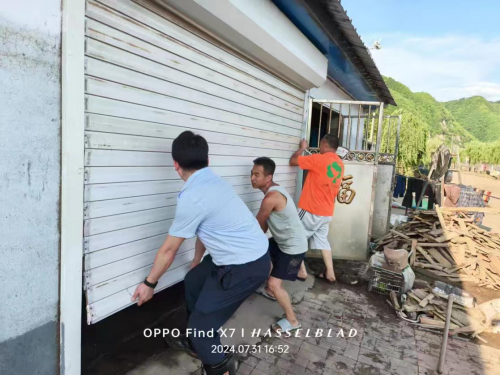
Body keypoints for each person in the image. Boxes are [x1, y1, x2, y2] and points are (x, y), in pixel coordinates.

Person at [131, 131, 270, 375]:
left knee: (200, 326)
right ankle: (199, 345)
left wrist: (149, 283)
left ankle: (219, 367)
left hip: (245, 266)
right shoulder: (214, 181)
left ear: (176, 165)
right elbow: (207, 230)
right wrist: (197, 261)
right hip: (250, 255)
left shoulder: (193, 197)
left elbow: (169, 249)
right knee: (194, 280)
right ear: (207, 161)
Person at [251, 157, 307, 333]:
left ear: (268, 178)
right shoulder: (276, 189)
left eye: (256, 174)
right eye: (251, 174)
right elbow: (265, 223)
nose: (252, 178)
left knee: (276, 284)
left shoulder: (271, 197)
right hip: (285, 242)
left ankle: (292, 320)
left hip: (293, 248)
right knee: (264, 252)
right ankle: (271, 286)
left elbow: (259, 223)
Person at [290, 134, 344, 283]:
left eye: (320, 145)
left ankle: (301, 272)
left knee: (296, 236)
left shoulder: (319, 159)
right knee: (322, 241)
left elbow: (293, 161)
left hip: (310, 209)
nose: (319, 148)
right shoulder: (339, 163)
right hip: (326, 212)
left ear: (325, 144)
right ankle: (330, 273)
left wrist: (302, 148)